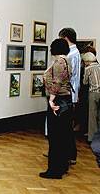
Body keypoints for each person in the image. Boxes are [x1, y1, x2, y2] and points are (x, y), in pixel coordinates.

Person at [40, 38, 72, 179]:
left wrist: (51, 100)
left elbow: (57, 82)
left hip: (58, 101)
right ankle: (62, 166)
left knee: (55, 136)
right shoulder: (67, 60)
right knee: (63, 135)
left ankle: (54, 170)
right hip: (65, 100)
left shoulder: (59, 62)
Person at [59, 28, 81, 165]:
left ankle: (68, 154)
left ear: (66, 38)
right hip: (71, 93)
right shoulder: (75, 53)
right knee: (66, 126)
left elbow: (70, 76)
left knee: (65, 127)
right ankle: (68, 154)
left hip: (68, 94)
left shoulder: (72, 54)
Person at [82, 52, 100, 142]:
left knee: (92, 115)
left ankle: (92, 137)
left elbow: (85, 82)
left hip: (93, 93)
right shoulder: (99, 66)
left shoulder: (88, 68)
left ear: (88, 61)